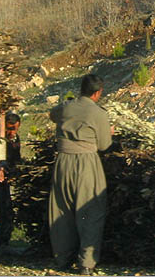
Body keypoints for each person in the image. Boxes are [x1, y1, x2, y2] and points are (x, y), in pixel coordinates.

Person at [48, 74, 114, 275]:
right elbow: (104, 145)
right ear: (97, 93)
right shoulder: (98, 113)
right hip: (86, 162)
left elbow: (52, 114)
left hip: (62, 161)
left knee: (61, 209)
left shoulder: (66, 107)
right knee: (91, 211)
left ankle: (62, 259)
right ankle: (86, 263)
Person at [0, 111, 23, 250]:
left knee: (7, 209)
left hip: (7, 178)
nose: (12, 132)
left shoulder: (15, 140)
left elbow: (16, 158)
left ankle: (3, 242)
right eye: (9, 129)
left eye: (14, 129)